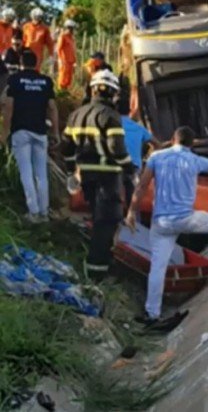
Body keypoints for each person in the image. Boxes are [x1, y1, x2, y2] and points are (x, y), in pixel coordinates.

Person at [125, 126, 208, 329]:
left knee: (158, 267)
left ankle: (152, 314)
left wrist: (132, 212)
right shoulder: (195, 160)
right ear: (192, 143)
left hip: (161, 222)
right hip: (186, 218)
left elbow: (142, 186)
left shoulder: (156, 158)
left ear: (172, 139)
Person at [62, 70, 134, 281]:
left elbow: (66, 148)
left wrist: (70, 172)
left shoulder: (76, 114)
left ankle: (103, 263)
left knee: (97, 217)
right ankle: (97, 272)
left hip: (87, 177)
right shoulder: (110, 116)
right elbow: (116, 148)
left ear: (93, 89)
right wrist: (129, 169)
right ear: (113, 93)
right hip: (108, 177)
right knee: (107, 222)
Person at [0, 50, 58, 222]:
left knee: (26, 172)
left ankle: (33, 212)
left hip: (21, 132)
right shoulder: (46, 81)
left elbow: (8, 107)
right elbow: (52, 107)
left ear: (21, 63)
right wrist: (55, 132)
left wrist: (4, 133)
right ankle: (44, 212)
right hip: (40, 132)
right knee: (41, 173)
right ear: (37, 62)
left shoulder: (15, 80)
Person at [117, 92, 161, 212]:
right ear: (130, 110)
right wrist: (150, 161)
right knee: (134, 202)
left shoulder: (111, 126)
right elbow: (157, 144)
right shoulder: (138, 128)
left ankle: (118, 224)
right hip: (134, 167)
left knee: (116, 201)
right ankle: (135, 224)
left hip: (116, 167)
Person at [22, 8, 54, 73]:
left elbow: (50, 43)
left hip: (38, 55)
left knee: (35, 72)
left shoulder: (45, 29)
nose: (37, 19)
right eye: (35, 17)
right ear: (32, 17)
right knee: (24, 71)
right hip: (26, 52)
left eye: (39, 17)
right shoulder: (26, 27)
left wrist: (51, 55)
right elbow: (22, 40)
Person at [56, 20, 77, 90]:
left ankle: (65, 93)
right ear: (68, 28)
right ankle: (60, 93)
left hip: (71, 62)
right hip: (64, 61)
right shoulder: (62, 36)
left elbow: (73, 51)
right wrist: (60, 60)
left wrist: (74, 62)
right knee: (62, 78)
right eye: (72, 28)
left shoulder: (72, 38)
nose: (72, 30)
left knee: (69, 79)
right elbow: (58, 49)